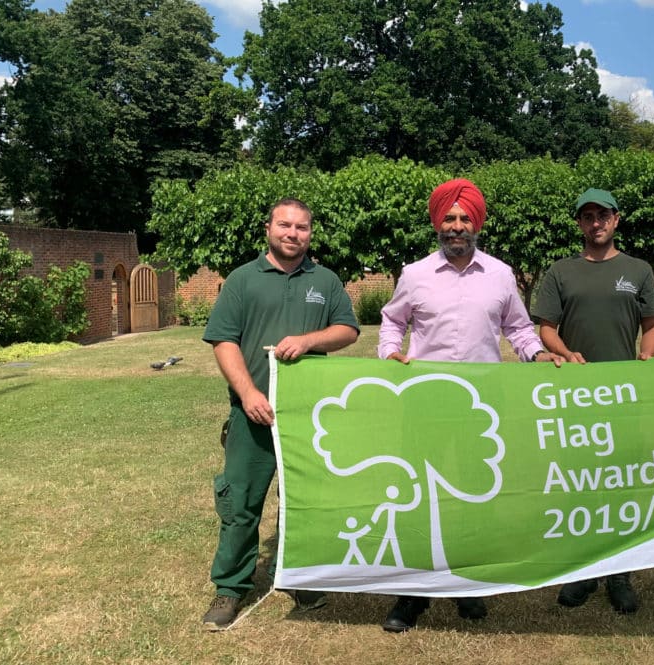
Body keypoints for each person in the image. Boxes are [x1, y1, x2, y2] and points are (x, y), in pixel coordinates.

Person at [377, 178, 564, 632]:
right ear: (437, 223)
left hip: (481, 408)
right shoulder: (415, 274)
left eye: (464, 218)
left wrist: (537, 353)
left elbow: (518, 328)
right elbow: (391, 321)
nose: (456, 226)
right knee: (418, 498)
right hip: (424, 403)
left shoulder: (499, 274)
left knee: (474, 496)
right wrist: (389, 354)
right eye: (449, 218)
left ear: (476, 223)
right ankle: (412, 595)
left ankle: (467, 587)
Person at [200, 198, 361, 630]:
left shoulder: (325, 281)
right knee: (241, 502)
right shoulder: (242, 280)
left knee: (304, 502)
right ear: (269, 228)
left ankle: (300, 578)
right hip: (252, 415)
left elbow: (348, 329)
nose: (293, 233)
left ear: (311, 233)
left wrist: (310, 340)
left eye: (302, 227)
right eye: (285, 225)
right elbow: (223, 341)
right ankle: (230, 588)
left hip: (308, 416)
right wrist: (248, 392)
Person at [531, 187, 654, 614]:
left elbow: (653, 325)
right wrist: (566, 354)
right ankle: (582, 571)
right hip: (574, 395)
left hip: (623, 395)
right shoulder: (561, 272)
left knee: (620, 481)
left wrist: (647, 358)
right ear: (580, 224)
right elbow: (546, 329)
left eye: (602, 215)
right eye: (587, 216)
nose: (596, 222)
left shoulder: (638, 269)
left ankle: (620, 574)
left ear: (616, 219)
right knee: (579, 483)